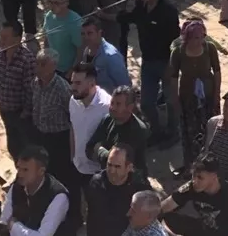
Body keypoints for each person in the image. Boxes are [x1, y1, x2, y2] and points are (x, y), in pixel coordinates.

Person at [129, 0, 181, 146]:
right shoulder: (141, 7)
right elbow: (128, 18)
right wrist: (105, 15)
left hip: (166, 63)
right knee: (146, 102)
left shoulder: (168, 10)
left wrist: (172, 66)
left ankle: (173, 133)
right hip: (148, 62)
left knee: (171, 101)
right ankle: (156, 131)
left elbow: (176, 41)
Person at [167, 19, 223, 174]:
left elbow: (217, 71)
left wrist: (217, 95)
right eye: (195, 37)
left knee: (210, 130)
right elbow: (173, 77)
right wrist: (175, 100)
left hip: (208, 96)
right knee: (190, 133)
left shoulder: (209, 48)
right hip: (188, 97)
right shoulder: (178, 52)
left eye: (202, 36)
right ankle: (191, 167)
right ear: (187, 38)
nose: (199, 41)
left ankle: (211, 165)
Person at [86, 144, 152, 236]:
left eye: (117, 167)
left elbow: (148, 220)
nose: (111, 170)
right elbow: (92, 217)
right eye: (109, 165)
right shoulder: (96, 184)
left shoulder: (139, 187)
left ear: (129, 167)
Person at [69, 63, 113, 225]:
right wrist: (72, 156)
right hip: (78, 164)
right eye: (72, 82)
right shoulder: (73, 101)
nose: (73, 87)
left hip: (97, 169)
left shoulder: (107, 106)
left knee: (98, 209)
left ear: (92, 83)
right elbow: (73, 128)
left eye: (78, 83)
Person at [31, 50, 74, 189]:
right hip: (41, 134)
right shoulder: (36, 83)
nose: (38, 68)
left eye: (43, 64)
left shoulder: (62, 87)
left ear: (53, 66)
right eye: (37, 63)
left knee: (61, 174)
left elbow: (72, 113)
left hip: (59, 139)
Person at [0, 22, 35, 164]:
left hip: (21, 114)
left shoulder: (26, 59)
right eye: (0, 36)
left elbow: (30, 90)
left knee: (27, 147)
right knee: (13, 146)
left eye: (5, 37)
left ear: (17, 39)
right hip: (5, 110)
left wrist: (25, 112)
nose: (1, 40)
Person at [88, 85, 150, 174]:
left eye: (118, 104)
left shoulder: (137, 130)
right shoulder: (108, 119)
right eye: (112, 103)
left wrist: (100, 150)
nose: (112, 108)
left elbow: (120, 163)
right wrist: (106, 154)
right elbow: (89, 149)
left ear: (130, 107)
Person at [80, 15, 131, 93]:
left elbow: (125, 87)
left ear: (99, 33)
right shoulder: (86, 51)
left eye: (90, 33)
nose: (86, 37)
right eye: (83, 34)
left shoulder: (111, 56)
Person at [42, 0, 84, 78]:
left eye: (56, 3)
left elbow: (81, 49)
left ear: (66, 3)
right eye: (50, 2)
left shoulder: (75, 22)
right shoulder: (48, 16)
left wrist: (72, 70)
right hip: (51, 67)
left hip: (67, 71)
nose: (52, 6)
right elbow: (46, 39)